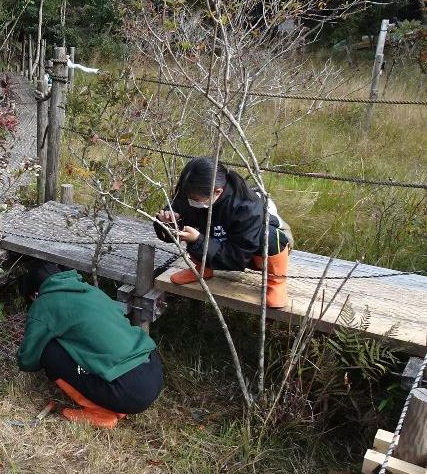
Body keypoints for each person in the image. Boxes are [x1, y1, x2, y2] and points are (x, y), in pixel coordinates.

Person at [17, 261, 163, 429]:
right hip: (152, 371)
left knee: (49, 352)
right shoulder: (92, 291)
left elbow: (27, 359)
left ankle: (100, 412)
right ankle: (116, 404)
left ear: (36, 294)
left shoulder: (44, 302)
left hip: (128, 391)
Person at [153, 156, 293, 308]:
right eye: (186, 196)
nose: (188, 200)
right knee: (200, 221)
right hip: (219, 241)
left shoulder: (247, 206)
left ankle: (276, 281)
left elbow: (238, 257)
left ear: (217, 191)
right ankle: (202, 268)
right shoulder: (191, 193)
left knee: (268, 237)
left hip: (253, 252)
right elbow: (173, 225)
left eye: (193, 198)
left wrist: (198, 240)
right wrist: (168, 224)